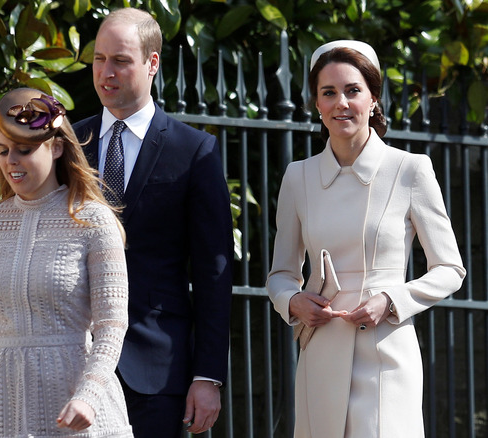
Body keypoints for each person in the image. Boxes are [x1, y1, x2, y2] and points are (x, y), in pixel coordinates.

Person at [267, 40, 466, 437]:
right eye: (329, 92)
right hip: (319, 353)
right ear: (317, 105)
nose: (341, 102)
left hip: (387, 354)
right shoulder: (298, 177)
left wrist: (391, 301)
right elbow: (280, 274)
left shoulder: (410, 170)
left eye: (353, 90)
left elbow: (450, 269)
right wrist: (293, 301)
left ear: (374, 98)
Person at [0, 88, 133, 438]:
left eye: (24, 150)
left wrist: (89, 395)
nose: (11, 161)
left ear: (56, 147)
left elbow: (112, 323)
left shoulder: (94, 220)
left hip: (74, 398)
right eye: (3, 151)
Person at [72, 8, 234, 437]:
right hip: (71, 360)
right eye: (99, 59)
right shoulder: (67, 144)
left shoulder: (194, 150)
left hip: (155, 371)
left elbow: (213, 272)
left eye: (121, 60)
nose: (106, 72)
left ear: (152, 63)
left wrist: (208, 375)